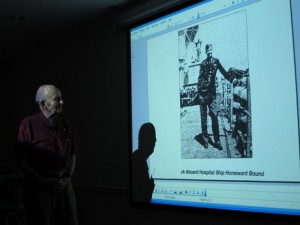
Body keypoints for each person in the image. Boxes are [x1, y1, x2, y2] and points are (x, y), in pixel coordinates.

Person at [15, 84, 78, 225]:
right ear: (43, 104)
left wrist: (67, 177)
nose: (62, 102)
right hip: (39, 188)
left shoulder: (65, 124)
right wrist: (42, 181)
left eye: (61, 98)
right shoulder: (28, 124)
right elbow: (21, 160)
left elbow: (73, 153)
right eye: (57, 99)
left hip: (63, 186)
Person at [196, 44, 233, 150]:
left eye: (211, 49)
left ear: (212, 50)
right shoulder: (203, 63)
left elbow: (223, 71)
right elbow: (200, 79)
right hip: (203, 94)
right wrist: (200, 94)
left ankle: (217, 141)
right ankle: (205, 140)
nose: (209, 51)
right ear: (205, 51)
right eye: (207, 50)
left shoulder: (216, 61)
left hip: (211, 95)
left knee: (214, 117)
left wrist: (231, 79)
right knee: (203, 119)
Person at [131, 122, 156, 203]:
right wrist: (150, 189)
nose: (155, 141)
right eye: (153, 138)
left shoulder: (137, 158)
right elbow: (142, 199)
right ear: (145, 140)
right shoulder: (138, 162)